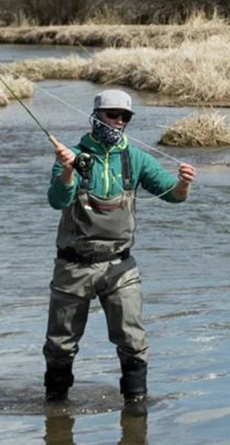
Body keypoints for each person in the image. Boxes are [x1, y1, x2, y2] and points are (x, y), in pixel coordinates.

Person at [43, 89, 196, 412]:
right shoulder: (72, 155)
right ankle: (55, 409)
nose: (119, 121)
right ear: (96, 116)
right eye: (113, 115)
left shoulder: (137, 158)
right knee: (60, 345)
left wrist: (183, 184)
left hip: (120, 267)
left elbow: (173, 195)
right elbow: (57, 200)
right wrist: (68, 170)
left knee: (132, 341)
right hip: (73, 266)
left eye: (125, 116)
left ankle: (136, 406)